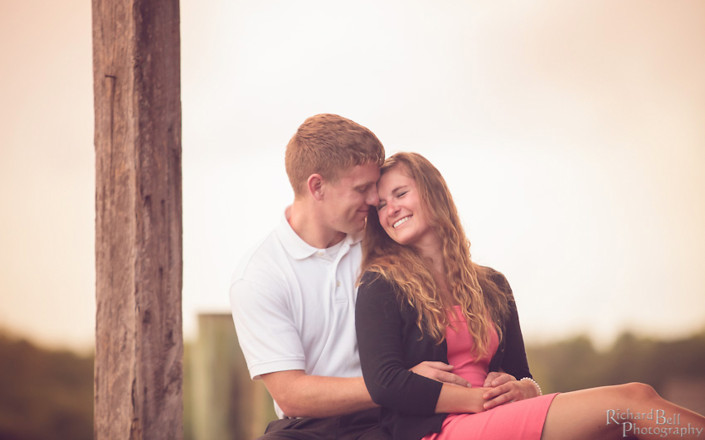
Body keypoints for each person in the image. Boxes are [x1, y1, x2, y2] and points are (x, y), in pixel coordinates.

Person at [355, 152, 705, 440]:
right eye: (382, 205)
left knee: (621, 429)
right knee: (633, 399)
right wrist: (478, 401)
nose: (391, 210)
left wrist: (526, 390)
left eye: (400, 194)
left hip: (498, 416)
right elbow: (385, 383)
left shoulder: (493, 285)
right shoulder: (381, 284)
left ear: (433, 193)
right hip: (439, 428)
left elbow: (522, 375)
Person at [229, 115, 469, 440]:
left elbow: (453, 281)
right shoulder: (258, 275)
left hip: (398, 416)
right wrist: (398, 386)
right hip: (309, 428)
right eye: (363, 189)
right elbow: (290, 393)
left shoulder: (386, 235)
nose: (375, 200)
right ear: (317, 187)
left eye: (377, 187)